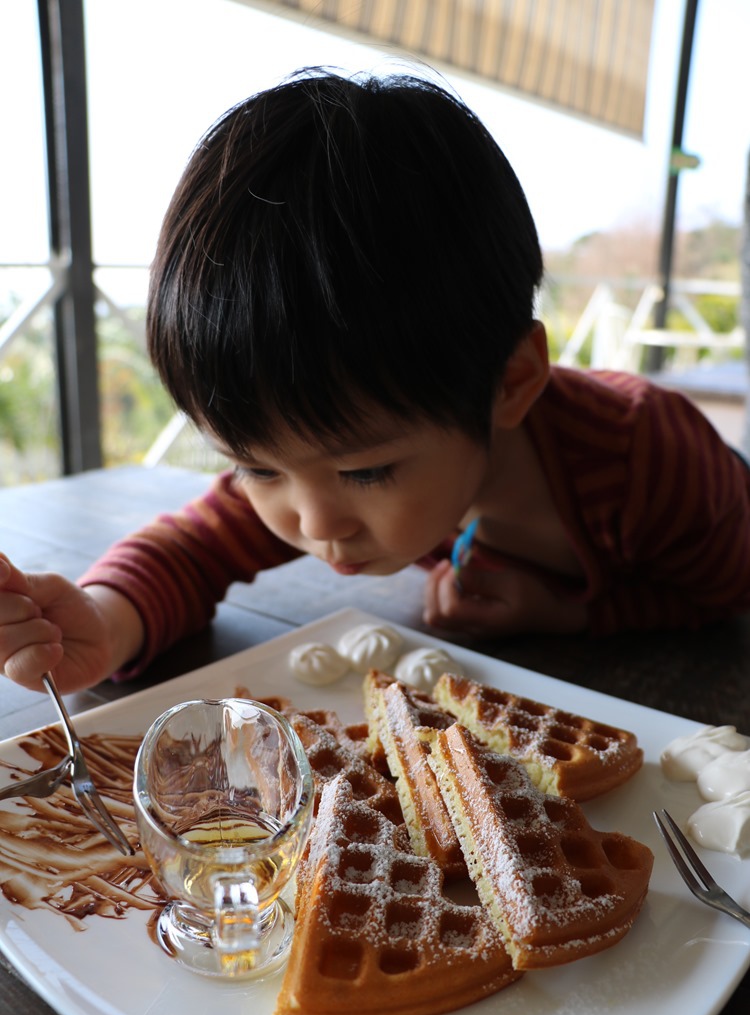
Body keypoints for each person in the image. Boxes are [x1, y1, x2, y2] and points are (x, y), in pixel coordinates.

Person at [2, 68, 750, 696]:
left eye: (366, 471)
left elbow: (725, 591)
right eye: (255, 464)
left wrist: (572, 615)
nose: (314, 521)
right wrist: (102, 617)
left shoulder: (650, 461)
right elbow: (191, 549)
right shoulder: (331, 444)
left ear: (511, 382)